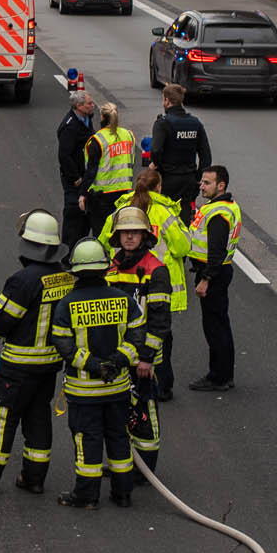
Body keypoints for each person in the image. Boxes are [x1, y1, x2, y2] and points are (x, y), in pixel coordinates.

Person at [0, 211, 73, 496]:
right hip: (50, 366)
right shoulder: (65, 277)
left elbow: (5, 323)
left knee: (2, 417)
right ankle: (33, 478)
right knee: (38, 418)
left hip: (19, 366)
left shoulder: (22, 280)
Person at [51, 239, 140, 510]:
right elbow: (137, 337)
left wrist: (94, 366)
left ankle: (86, 496)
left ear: (75, 271)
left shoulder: (66, 305)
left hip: (84, 391)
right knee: (119, 437)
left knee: (87, 439)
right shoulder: (123, 300)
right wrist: (115, 363)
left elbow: (65, 347)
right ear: (105, 269)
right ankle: (122, 493)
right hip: (118, 387)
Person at [97, 170, 191, 399]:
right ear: (159, 187)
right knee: (161, 335)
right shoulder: (165, 213)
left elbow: (101, 245)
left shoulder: (120, 212)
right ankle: (162, 385)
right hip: (159, 283)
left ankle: (121, 378)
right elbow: (182, 247)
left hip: (119, 284)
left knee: (122, 333)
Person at [103, 206, 170, 473]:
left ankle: (145, 470)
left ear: (145, 236)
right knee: (119, 411)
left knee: (145, 413)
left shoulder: (156, 270)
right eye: (124, 232)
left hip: (143, 359)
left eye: (135, 232)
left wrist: (146, 358)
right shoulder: (111, 267)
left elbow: (160, 321)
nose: (129, 237)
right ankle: (124, 463)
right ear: (117, 237)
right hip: (119, 354)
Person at [186, 165, 242, 392]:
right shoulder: (223, 207)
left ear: (221, 186)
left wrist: (205, 279)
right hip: (220, 271)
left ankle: (217, 377)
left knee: (214, 327)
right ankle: (224, 374)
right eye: (202, 182)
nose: (202, 186)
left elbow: (216, 251)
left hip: (214, 274)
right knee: (221, 323)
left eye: (207, 183)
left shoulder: (218, 213)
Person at [148, 83, 211, 219]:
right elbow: (206, 156)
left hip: (167, 179)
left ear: (167, 100)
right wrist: (197, 178)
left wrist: (156, 165)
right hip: (189, 179)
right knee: (184, 218)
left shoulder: (163, 123)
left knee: (165, 218)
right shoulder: (195, 123)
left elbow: (156, 150)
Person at [78, 103, 136, 244]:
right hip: (123, 193)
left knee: (102, 235)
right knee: (120, 233)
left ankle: (104, 263)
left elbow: (91, 171)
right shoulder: (128, 135)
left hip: (101, 197)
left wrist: (82, 193)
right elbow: (131, 161)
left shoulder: (98, 140)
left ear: (102, 116)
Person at [56, 91, 97, 245]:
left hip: (85, 176)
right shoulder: (70, 126)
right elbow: (64, 156)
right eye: (89, 104)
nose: (93, 106)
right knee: (73, 215)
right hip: (75, 179)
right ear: (79, 106)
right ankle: (68, 254)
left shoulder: (86, 119)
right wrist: (76, 178)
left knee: (85, 216)